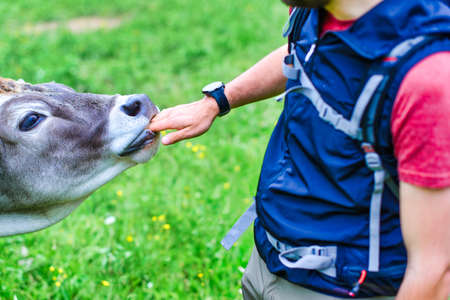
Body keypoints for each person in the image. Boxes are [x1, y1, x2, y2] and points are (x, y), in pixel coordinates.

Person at [150, 0, 450, 299]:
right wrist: (217, 101)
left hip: (342, 288)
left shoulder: (428, 79)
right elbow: (301, 53)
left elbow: (433, 270)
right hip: (269, 259)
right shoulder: (315, 9)